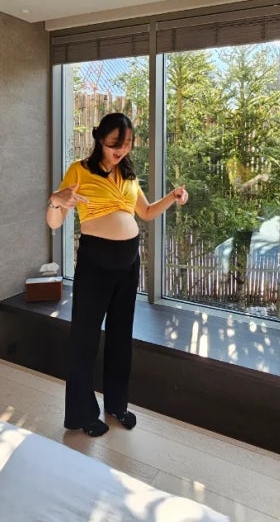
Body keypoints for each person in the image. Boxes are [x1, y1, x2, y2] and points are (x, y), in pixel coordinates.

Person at [46, 112, 188, 437]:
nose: (121, 150)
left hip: (128, 262)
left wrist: (172, 197)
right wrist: (55, 200)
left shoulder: (128, 174)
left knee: (121, 337)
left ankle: (117, 404)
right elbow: (54, 223)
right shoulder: (79, 170)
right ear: (100, 139)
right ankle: (82, 414)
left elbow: (146, 212)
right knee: (85, 338)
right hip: (95, 261)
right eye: (115, 144)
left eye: (127, 144)